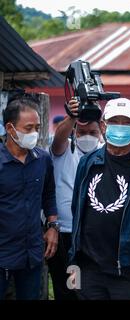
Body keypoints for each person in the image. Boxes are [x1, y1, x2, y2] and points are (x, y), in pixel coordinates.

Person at [68, 98, 130, 300]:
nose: (120, 127)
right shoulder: (87, 163)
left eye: (126, 122)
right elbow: (77, 211)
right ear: (104, 125)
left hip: (128, 269)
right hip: (89, 267)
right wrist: (74, 260)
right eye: (115, 121)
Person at [0, 97, 59, 300]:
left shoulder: (42, 159)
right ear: (10, 128)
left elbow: (49, 194)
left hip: (32, 252)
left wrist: (53, 226)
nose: (34, 133)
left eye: (37, 127)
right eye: (28, 128)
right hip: (2, 252)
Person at [47, 99, 103, 300]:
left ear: (101, 131)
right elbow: (58, 139)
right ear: (74, 133)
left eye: (92, 133)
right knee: (67, 289)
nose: (87, 137)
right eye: (81, 133)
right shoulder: (64, 150)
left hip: (94, 236)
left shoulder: (107, 152)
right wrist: (72, 116)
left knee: (87, 289)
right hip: (66, 234)